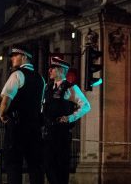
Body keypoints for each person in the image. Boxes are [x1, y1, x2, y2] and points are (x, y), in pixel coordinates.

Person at [0, 45, 45, 184]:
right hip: (34, 127)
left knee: (13, 164)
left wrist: (2, 113)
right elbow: (41, 104)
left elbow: (6, 99)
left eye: (15, 55)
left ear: (24, 57)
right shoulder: (40, 79)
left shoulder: (17, 74)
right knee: (35, 165)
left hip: (17, 127)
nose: (12, 58)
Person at [42, 56, 91, 184]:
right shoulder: (47, 88)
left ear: (61, 70)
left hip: (61, 134)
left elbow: (86, 106)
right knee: (47, 166)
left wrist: (69, 118)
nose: (50, 70)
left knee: (61, 169)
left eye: (53, 68)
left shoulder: (70, 88)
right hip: (48, 133)